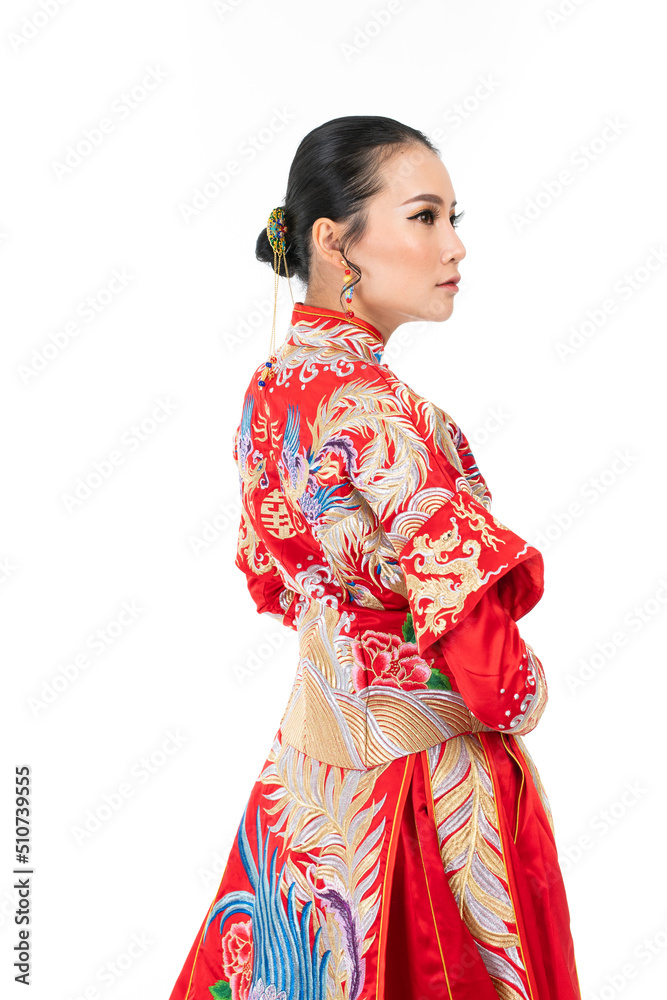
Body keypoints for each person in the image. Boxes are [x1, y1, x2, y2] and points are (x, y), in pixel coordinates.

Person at [168, 115, 582, 1000]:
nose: (455, 246)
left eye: (451, 217)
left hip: (310, 787)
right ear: (333, 241)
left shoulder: (271, 388)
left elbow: (273, 579)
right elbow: (481, 648)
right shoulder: (377, 409)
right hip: (422, 793)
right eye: (424, 217)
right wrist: (524, 692)